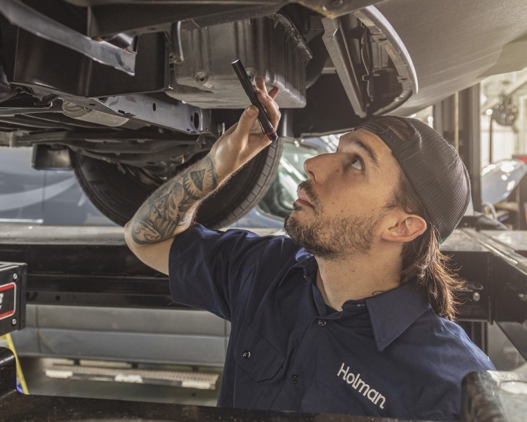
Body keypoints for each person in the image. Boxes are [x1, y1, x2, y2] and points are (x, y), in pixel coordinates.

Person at [124, 79, 494, 420]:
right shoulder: (268, 269)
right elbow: (146, 239)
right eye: (337, 150)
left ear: (401, 226)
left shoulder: (453, 386)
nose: (313, 163)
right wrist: (217, 167)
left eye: (356, 164)